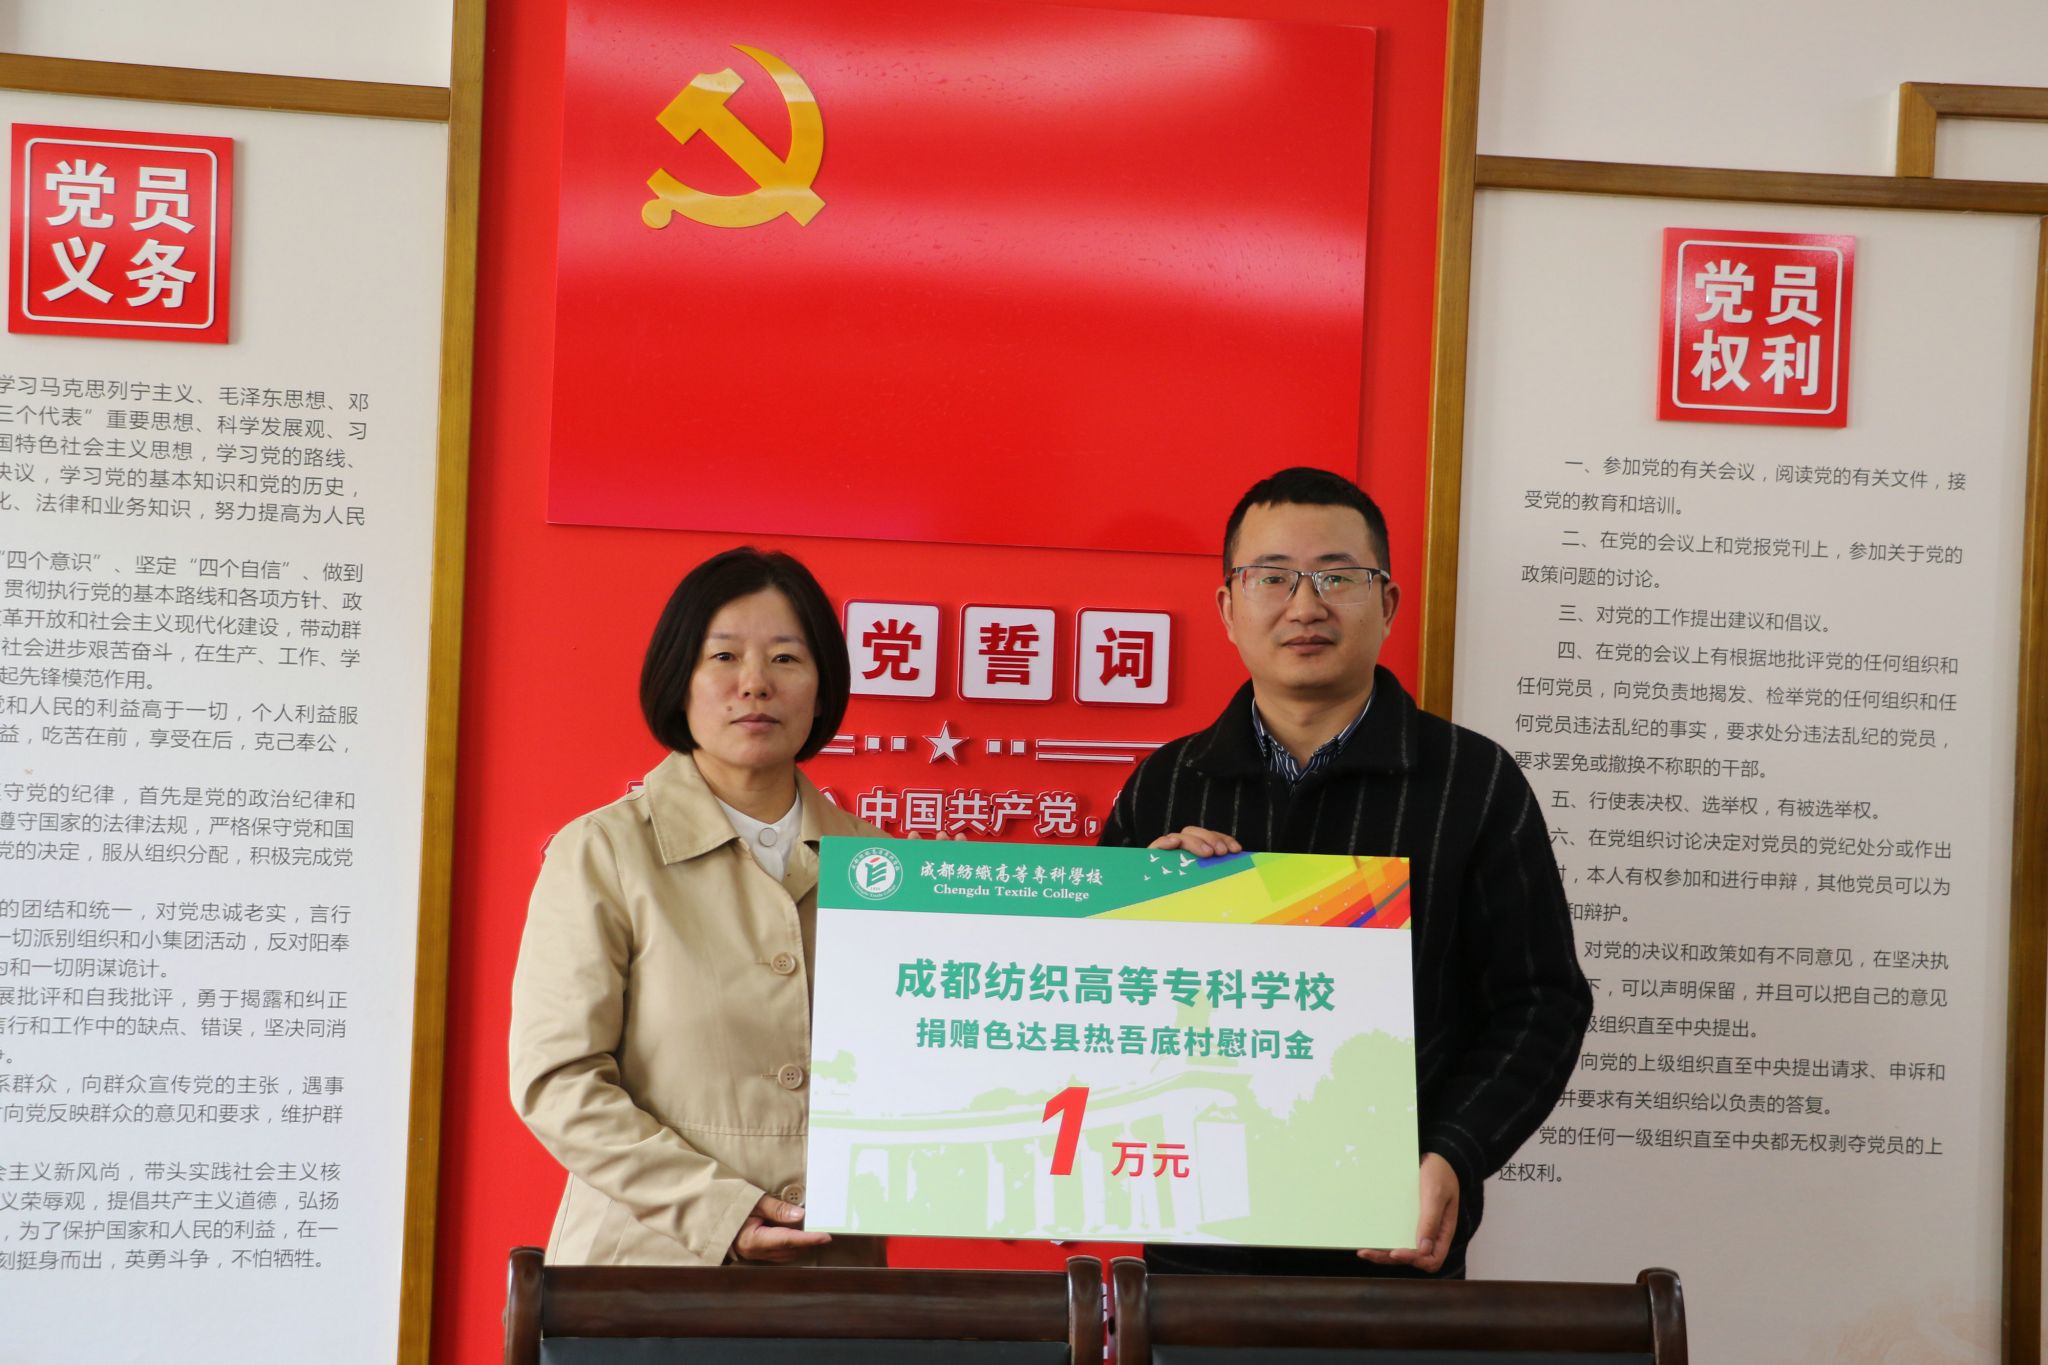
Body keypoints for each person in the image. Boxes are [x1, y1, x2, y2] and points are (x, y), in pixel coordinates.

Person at [1100, 467, 1592, 1279]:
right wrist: (1139, 914)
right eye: (1272, 577)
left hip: (1388, 1244)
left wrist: (1454, 1151)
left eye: (1338, 576)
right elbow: (1089, 1001)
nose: (1305, 605)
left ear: (1387, 602)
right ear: (1227, 606)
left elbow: (1542, 1003)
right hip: (1196, 1240)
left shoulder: (1474, 783)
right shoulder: (1166, 785)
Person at [509, 547, 884, 1266]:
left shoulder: (881, 868)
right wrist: (720, 1212)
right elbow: (557, 1080)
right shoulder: (603, 851)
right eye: (724, 657)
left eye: (786, 658)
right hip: (644, 1276)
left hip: (833, 1280)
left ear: (822, 689)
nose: (755, 683)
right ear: (679, 680)